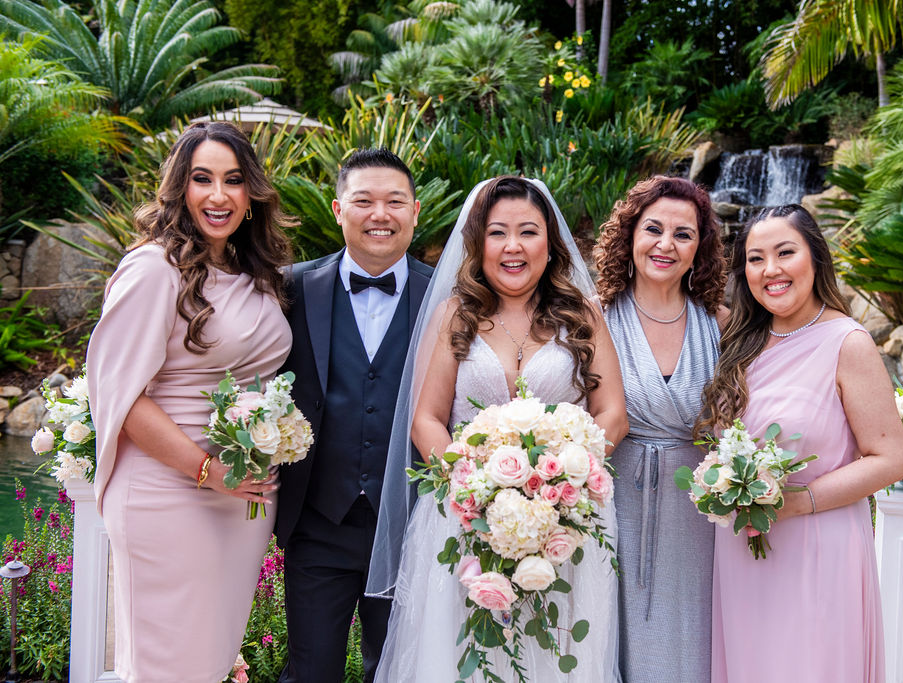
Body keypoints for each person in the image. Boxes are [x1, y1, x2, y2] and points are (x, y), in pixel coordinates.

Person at [367, 176, 629, 682]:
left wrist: (563, 481)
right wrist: (475, 486)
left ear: (550, 244)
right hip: (464, 517)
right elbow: (426, 420)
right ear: (478, 243)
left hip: (566, 522)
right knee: (460, 653)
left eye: (528, 232)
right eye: (497, 233)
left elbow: (613, 414)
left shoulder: (583, 315)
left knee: (556, 654)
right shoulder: (455, 315)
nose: (513, 246)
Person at [87, 121, 294, 682]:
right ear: (180, 188)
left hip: (241, 502)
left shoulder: (256, 274)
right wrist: (208, 469)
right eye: (202, 179)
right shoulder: (153, 269)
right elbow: (123, 396)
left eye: (233, 180)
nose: (218, 195)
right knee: (168, 666)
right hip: (169, 493)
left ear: (252, 194)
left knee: (209, 662)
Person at [699, 205, 903, 683]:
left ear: (815, 257)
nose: (770, 270)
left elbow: (891, 458)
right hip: (742, 552)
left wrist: (799, 501)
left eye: (785, 253)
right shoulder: (739, 340)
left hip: (817, 547)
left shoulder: (848, 342)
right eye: (755, 259)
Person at [274, 148, 433, 683]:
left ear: (415, 211)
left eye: (395, 202)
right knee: (310, 671)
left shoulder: (449, 295)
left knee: (398, 672)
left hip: (413, 527)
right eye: (364, 201)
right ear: (339, 209)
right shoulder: (291, 288)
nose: (380, 215)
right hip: (319, 524)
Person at [593, 175, 728, 682]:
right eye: (653, 229)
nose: (666, 244)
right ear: (630, 235)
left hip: (697, 511)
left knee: (689, 639)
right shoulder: (594, 316)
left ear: (699, 249)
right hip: (612, 501)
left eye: (683, 234)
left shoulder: (720, 323)